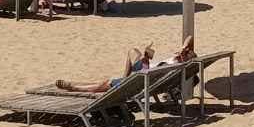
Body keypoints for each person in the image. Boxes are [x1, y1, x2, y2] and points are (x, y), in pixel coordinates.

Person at [55, 36, 195, 93]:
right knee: (133, 51)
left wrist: (146, 59)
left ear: (184, 58)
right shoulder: (178, 65)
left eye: (184, 53)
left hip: (143, 79)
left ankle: (75, 87)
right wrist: (184, 48)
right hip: (148, 74)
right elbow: (190, 38)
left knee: (106, 83)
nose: (181, 52)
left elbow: (155, 74)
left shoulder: (174, 65)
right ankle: (124, 78)